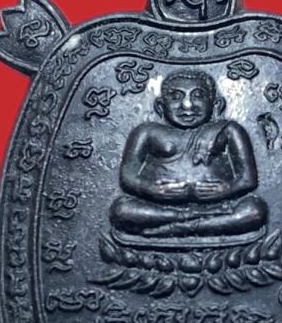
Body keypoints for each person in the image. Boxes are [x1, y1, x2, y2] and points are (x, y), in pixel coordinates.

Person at [109, 69, 267, 239]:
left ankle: (178, 228)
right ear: (160, 106)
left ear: (216, 105)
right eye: (176, 97)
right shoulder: (147, 131)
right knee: (121, 210)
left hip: (219, 206)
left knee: (254, 210)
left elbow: (248, 180)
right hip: (160, 208)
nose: (187, 105)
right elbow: (128, 176)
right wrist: (151, 189)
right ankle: (189, 219)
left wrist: (226, 190)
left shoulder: (229, 130)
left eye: (198, 96)